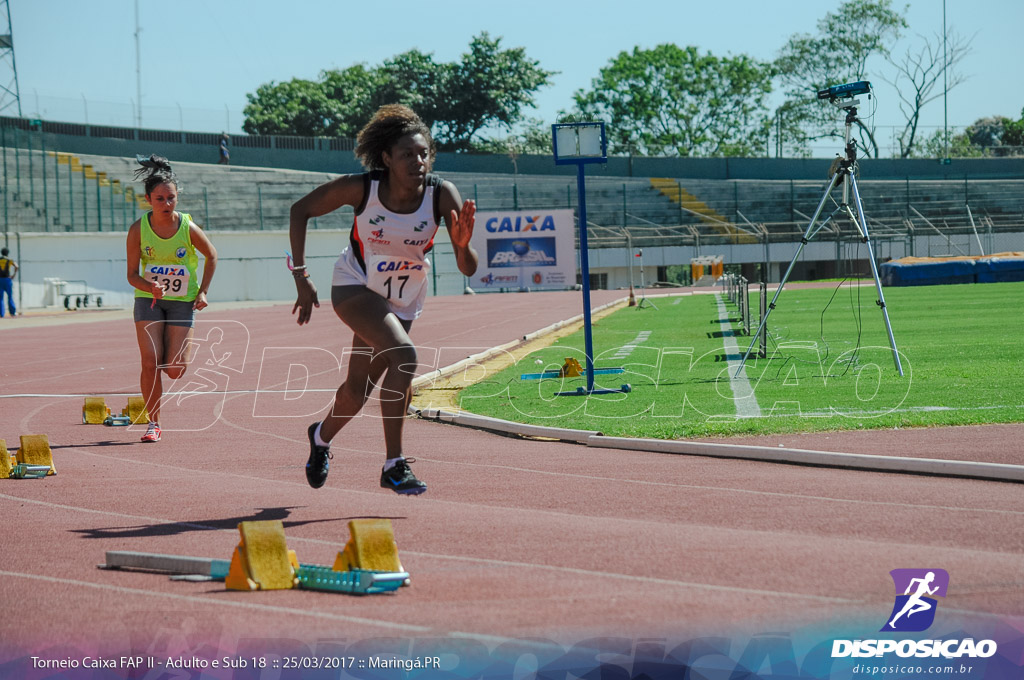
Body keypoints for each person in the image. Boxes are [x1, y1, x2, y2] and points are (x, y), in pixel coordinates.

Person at [290, 104, 478, 495]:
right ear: (387, 158)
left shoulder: (442, 194)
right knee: (405, 357)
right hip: (356, 286)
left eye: (424, 153)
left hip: (403, 297)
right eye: (408, 154)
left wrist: (462, 246)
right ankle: (394, 464)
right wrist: (301, 276)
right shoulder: (362, 188)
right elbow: (300, 210)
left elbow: (469, 269)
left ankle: (320, 438)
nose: (418, 161)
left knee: (358, 390)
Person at [126, 155, 218, 443]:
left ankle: (169, 347)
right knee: (149, 362)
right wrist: (149, 285)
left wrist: (203, 291)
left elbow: (212, 255)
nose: (167, 204)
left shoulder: (187, 228)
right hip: (148, 300)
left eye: (171, 198)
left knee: (175, 370)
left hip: (182, 300)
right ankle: (153, 423)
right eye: (160, 199)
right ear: (148, 200)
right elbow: (131, 274)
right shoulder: (137, 230)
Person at [0, 247, 17, 318]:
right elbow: (17, 266)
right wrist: (13, 275)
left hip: (0, 279)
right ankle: (12, 312)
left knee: (0, 298)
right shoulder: (9, 260)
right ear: (8, 253)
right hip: (7, 279)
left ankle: (1, 314)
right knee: (10, 296)